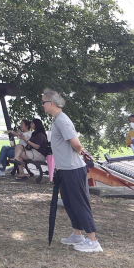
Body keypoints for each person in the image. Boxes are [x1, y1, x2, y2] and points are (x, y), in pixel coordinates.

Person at [43, 89, 101, 253]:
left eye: (43, 102)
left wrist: (84, 154)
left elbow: (75, 144)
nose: (43, 106)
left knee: (80, 203)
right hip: (64, 169)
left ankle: (93, 241)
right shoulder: (56, 120)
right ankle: (77, 235)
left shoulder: (62, 120)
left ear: (51, 103)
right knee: (69, 203)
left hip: (73, 169)